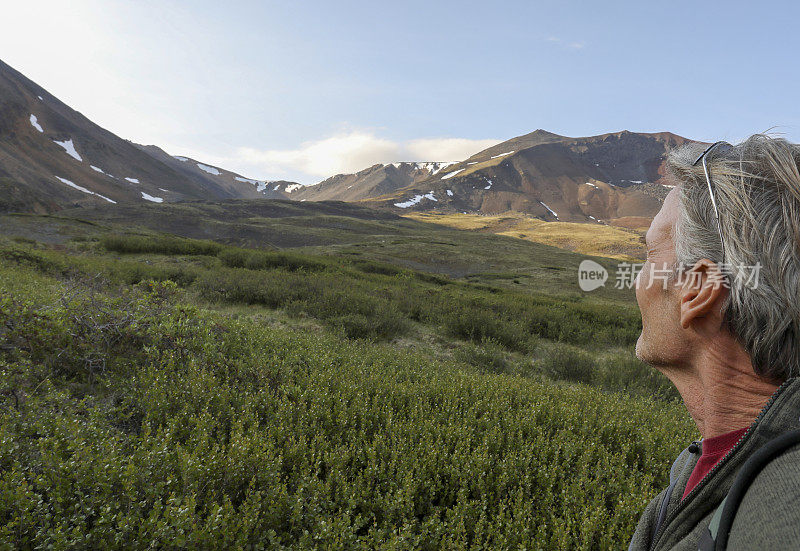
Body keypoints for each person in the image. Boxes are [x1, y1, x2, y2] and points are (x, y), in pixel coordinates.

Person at [628, 135, 800, 550]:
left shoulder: (783, 520)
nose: (637, 282)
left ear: (700, 290)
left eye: (651, 255)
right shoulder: (709, 466)